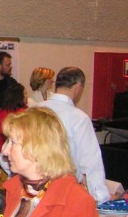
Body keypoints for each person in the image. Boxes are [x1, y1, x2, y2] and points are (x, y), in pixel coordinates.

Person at [38, 67, 110, 204]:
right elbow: (90, 162)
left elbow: (8, 154)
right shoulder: (79, 118)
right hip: (63, 193)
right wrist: (100, 197)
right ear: (78, 87)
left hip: (32, 189)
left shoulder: (33, 110)